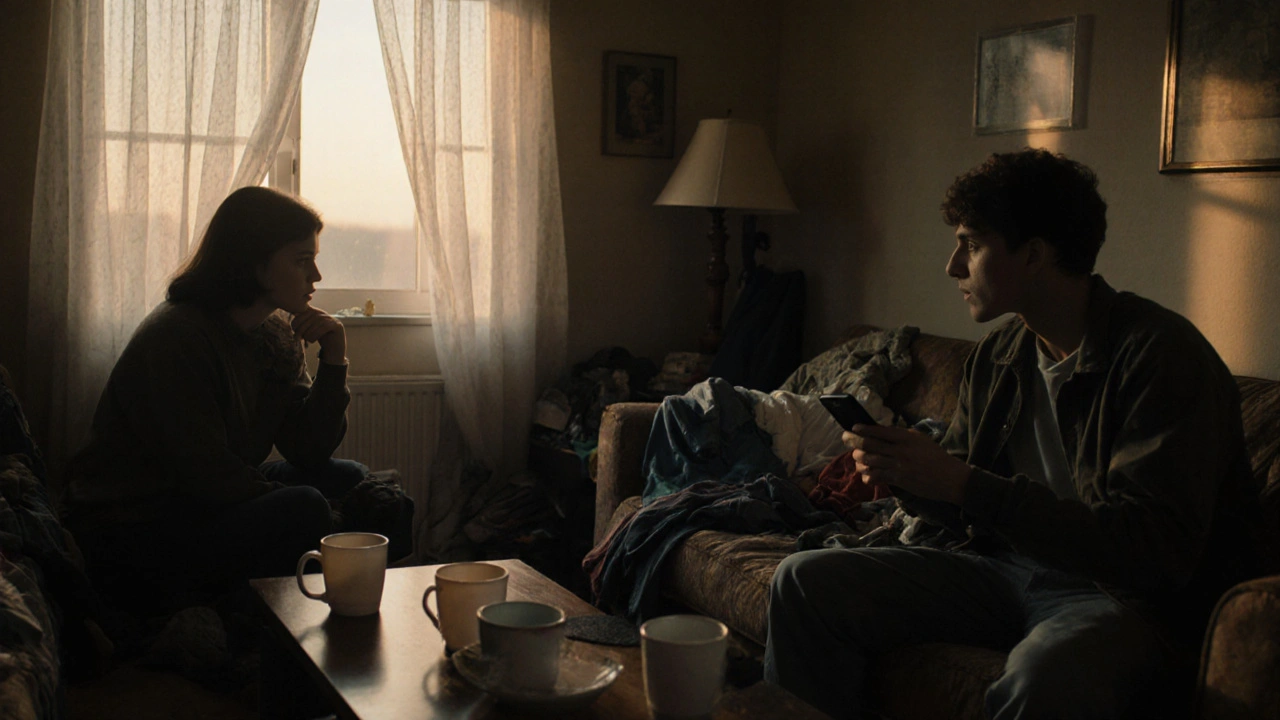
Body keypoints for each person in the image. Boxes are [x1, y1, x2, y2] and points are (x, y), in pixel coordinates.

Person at [763, 149, 1260, 719]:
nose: (953, 266)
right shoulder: (1001, 354)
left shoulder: (1161, 358)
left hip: (1121, 598)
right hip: (1004, 569)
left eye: (971, 245)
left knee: (1045, 679)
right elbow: (964, 499)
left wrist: (966, 485)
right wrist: (908, 474)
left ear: (1034, 255)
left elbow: (1152, 552)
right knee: (803, 579)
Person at [66, 186, 401, 614]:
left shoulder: (275, 332)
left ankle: (345, 610)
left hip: (205, 500)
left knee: (353, 479)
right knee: (305, 508)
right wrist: (328, 512)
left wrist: (334, 360)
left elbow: (308, 449)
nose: (316, 276)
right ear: (254, 262)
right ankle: (258, 627)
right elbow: (207, 476)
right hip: (139, 524)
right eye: (302, 261)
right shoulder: (178, 338)